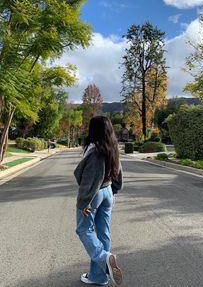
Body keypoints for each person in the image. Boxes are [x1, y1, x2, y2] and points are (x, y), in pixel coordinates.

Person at [74, 116, 123, 286]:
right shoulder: (112, 147)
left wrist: (83, 202)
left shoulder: (95, 150)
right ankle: (98, 276)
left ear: (93, 130)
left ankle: (105, 258)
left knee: (83, 229)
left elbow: (91, 179)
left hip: (94, 194)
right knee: (103, 233)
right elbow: (118, 172)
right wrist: (114, 192)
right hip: (108, 192)